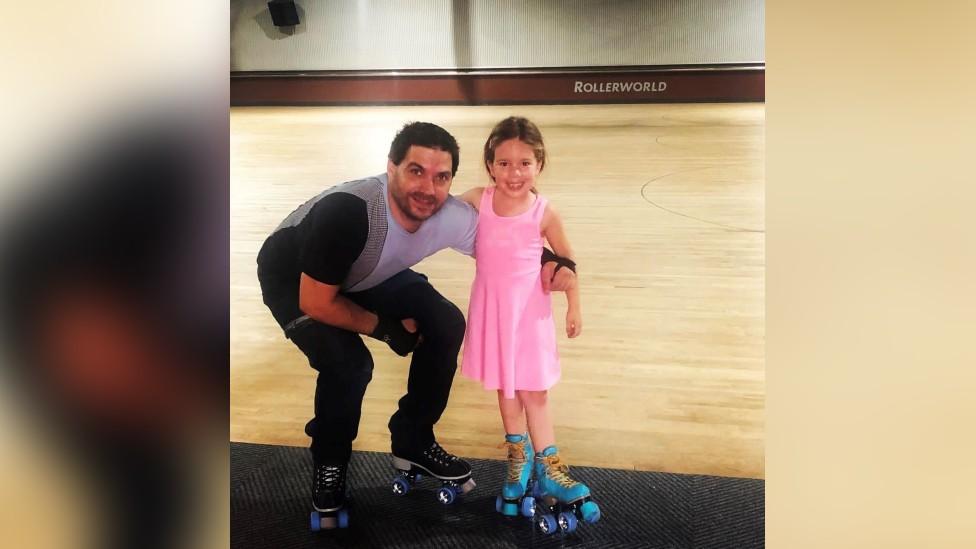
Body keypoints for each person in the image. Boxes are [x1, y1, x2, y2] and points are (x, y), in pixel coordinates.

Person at [255, 122, 576, 525]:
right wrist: (386, 328)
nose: (428, 188)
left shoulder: (448, 213)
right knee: (349, 365)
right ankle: (330, 463)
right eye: (416, 171)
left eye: (441, 177)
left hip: (368, 272)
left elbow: (505, 246)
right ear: (391, 167)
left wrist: (558, 266)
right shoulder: (349, 212)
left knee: (444, 321)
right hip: (298, 282)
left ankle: (413, 439)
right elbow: (317, 302)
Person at [459, 116, 600, 528]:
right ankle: (517, 459)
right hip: (492, 310)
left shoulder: (543, 211)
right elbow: (441, 213)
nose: (514, 172)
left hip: (530, 315)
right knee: (506, 387)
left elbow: (568, 262)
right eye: (503, 163)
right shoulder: (478, 200)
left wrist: (574, 304)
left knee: (533, 390)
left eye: (524, 163)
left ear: (539, 163)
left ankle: (549, 466)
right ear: (489, 165)